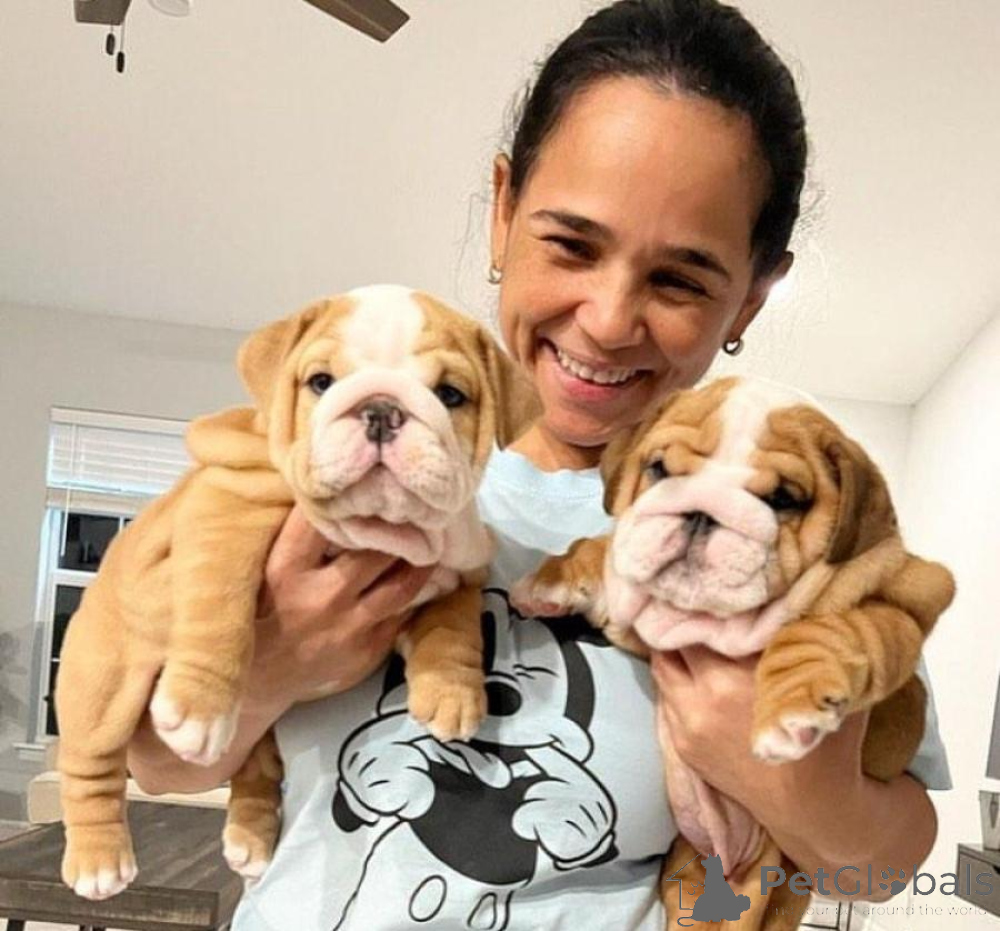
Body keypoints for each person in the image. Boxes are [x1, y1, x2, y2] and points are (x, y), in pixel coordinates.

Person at [128, 1, 950, 928]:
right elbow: (157, 762)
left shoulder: (800, 531)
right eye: (572, 244)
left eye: (679, 279)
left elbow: (887, 865)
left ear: (753, 296)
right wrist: (277, 663)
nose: (607, 319)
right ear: (503, 210)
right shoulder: (328, 457)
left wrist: (784, 778)